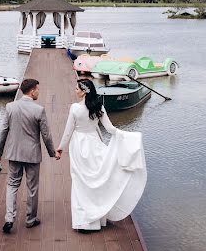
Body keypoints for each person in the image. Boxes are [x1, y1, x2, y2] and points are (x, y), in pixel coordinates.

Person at [56, 78, 147, 231]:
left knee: (80, 182)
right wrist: (127, 136)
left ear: (85, 91)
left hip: (79, 146)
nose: (75, 90)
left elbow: (68, 132)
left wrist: (60, 148)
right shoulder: (99, 106)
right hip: (95, 144)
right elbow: (110, 129)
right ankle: (97, 219)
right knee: (96, 181)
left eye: (78, 89)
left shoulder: (75, 108)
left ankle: (83, 222)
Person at [0, 78, 59, 234]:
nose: (38, 92)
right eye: (37, 89)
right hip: (32, 155)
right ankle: (30, 220)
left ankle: (9, 218)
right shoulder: (38, 110)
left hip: (14, 153)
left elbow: (3, 132)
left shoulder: (10, 107)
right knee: (32, 188)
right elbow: (46, 135)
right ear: (32, 91)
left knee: (12, 185)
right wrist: (53, 152)